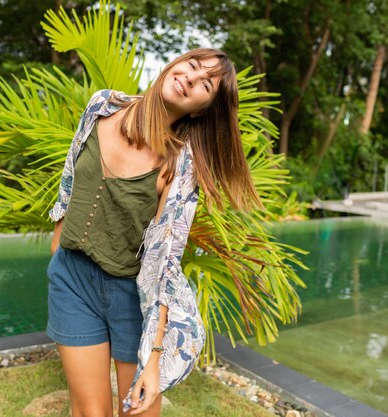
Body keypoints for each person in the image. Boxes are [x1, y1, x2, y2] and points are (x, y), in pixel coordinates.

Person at [46, 48, 262, 417]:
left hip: (133, 297)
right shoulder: (102, 106)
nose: (191, 78)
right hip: (73, 282)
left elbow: (166, 259)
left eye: (205, 84)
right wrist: (58, 250)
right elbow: (70, 177)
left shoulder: (180, 164)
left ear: (201, 109)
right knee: (89, 412)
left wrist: (154, 357)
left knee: (138, 411)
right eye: (192, 66)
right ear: (175, 63)